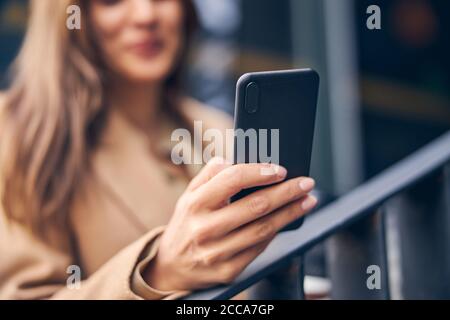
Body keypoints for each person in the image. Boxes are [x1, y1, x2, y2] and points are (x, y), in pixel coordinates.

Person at [0, 0, 317, 300]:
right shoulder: (16, 132)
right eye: (112, 1)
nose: (146, 15)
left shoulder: (218, 131)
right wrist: (155, 275)